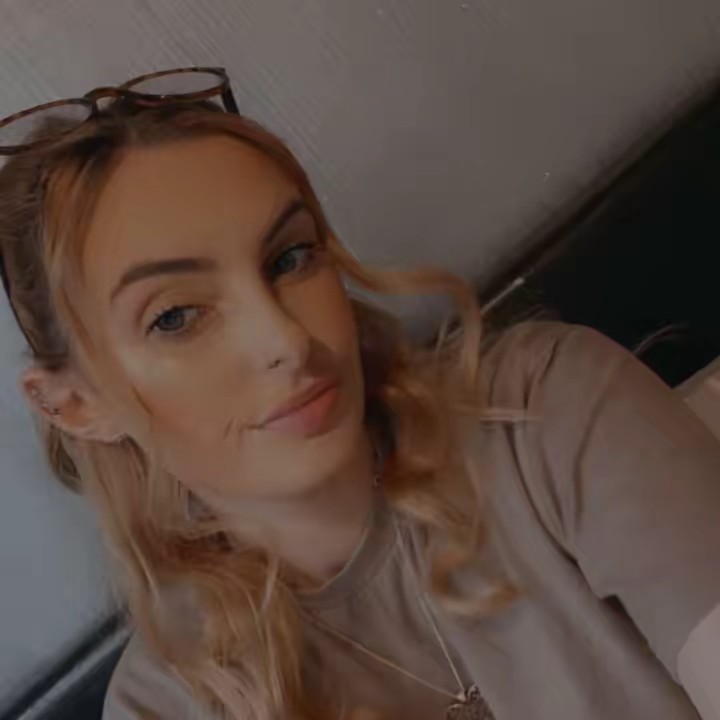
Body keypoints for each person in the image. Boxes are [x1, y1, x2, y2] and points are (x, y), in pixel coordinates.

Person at [0, 69, 719, 720]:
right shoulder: (164, 707)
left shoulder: (545, 411)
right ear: (76, 406)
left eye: (290, 258)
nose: (286, 339)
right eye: (176, 317)